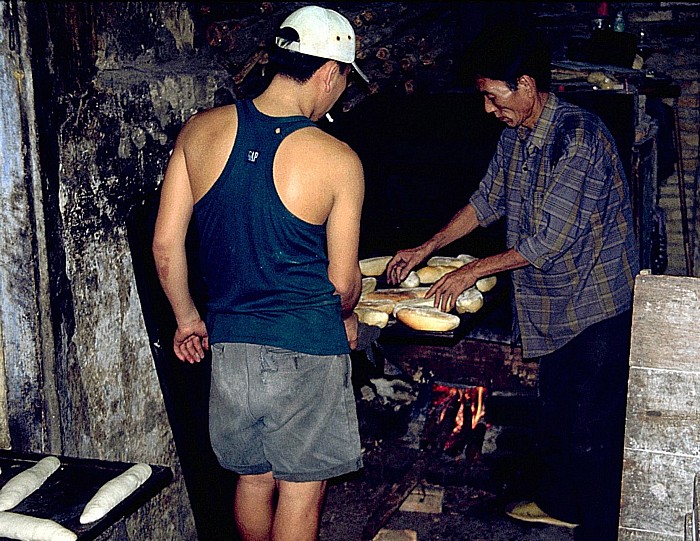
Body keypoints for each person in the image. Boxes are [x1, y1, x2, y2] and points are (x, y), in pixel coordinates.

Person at [386, 24, 639, 541]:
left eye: (492, 95)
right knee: (561, 413)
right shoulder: (515, 135)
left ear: (526, 85)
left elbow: (547, 241)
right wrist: (427, 246)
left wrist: (470, 270)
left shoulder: (579, 139)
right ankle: (562, 504)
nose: (487, 108)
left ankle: (601, 528)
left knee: (593, 427)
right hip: (555, 302)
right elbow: (486, 202)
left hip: (595, 302)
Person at [152, 6, 367, 541]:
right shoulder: (338, 159)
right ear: (327, 73)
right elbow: (342, 285)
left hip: (230, 351)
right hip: (305, 349)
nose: (337, 94)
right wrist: (348, 315)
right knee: (300, 490)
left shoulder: (199, 131)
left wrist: (186, 319)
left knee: (252, 479)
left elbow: (164, 245)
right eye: (342, 81)